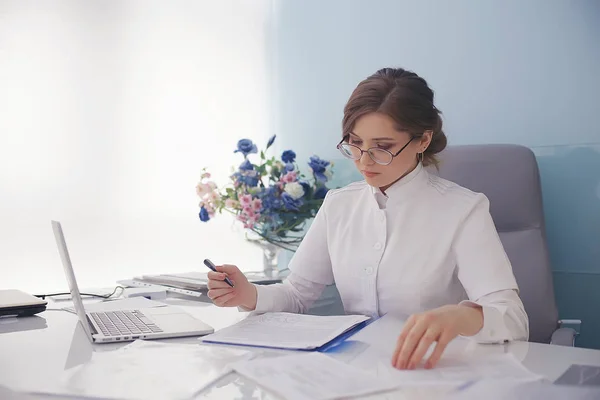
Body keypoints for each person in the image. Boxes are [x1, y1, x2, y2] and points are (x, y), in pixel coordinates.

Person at [206, 67, 529, 370]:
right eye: (355, 144)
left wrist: (460, 316)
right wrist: (248, 294)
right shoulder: (339, 205)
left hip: (434, 375)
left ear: (423, 140)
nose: (364, 161)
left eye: (382, 147)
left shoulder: (463, 209)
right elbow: (297, 295)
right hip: (352, 374)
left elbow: (513, 317)